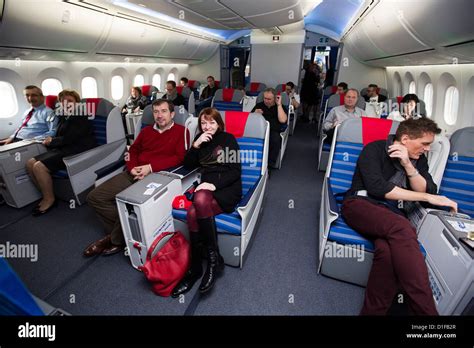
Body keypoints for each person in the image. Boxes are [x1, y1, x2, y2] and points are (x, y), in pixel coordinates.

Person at [342, 118, 457, 315]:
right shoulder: (374, 149)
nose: (428, 149)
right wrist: (428, 196)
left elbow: (429, 188)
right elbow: (378, 188)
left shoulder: (418, 160)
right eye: (425, 144)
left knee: (387, 253)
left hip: (390, 214)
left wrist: (408, 166)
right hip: (360, 205)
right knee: (404, 228)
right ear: (405, 139)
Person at [84, 99, 187, 257]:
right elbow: (132, 151)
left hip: (156, 176)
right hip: (134, 172)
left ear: (172, 114)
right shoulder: (146, 132)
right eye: (156, 111)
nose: (159, 115)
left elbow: (179, 158)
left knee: (128, 203)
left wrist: (150, 167)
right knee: (94, 197)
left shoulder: (182, 131)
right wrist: (132, 169)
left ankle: (114, 240)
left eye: (164, 111)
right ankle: (124, 232)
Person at [172, 107, 241, 297]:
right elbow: (187, 164)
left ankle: (206, 264)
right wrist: (196, 145)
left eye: (211, 122)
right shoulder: (200, 140)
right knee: (192, 212)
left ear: (219, 124)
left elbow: (235, 171)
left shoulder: (227, 139)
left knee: (199, 198)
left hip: (227, 188)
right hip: (206, 189)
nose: (207, 127)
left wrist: (213, 185)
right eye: (203, 123)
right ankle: (206, 263)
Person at [26, 90, 96, 216]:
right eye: (63, 101)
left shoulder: (81, 115)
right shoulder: (64, 115)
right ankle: (46, 193)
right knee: (30, 163)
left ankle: (49, 199)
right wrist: (51, 139)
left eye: (70, 101)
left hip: (78, 150)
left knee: (39, 167)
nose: (66, 104)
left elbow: (71, 138)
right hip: (65, 148)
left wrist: (52, 142)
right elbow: (61, 135)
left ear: (77, 103)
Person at [251, 88, 288, 167]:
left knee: (275, 140)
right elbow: (249, 119)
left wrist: (279, 105)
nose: (266, 101)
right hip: (259, 130)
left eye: (269, 99)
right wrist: (254, 113)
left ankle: (270, 166)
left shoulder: (280, 107)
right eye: (265, 98)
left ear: (275, 98)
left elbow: (283, 120)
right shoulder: (259, 106)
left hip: (273, 130)